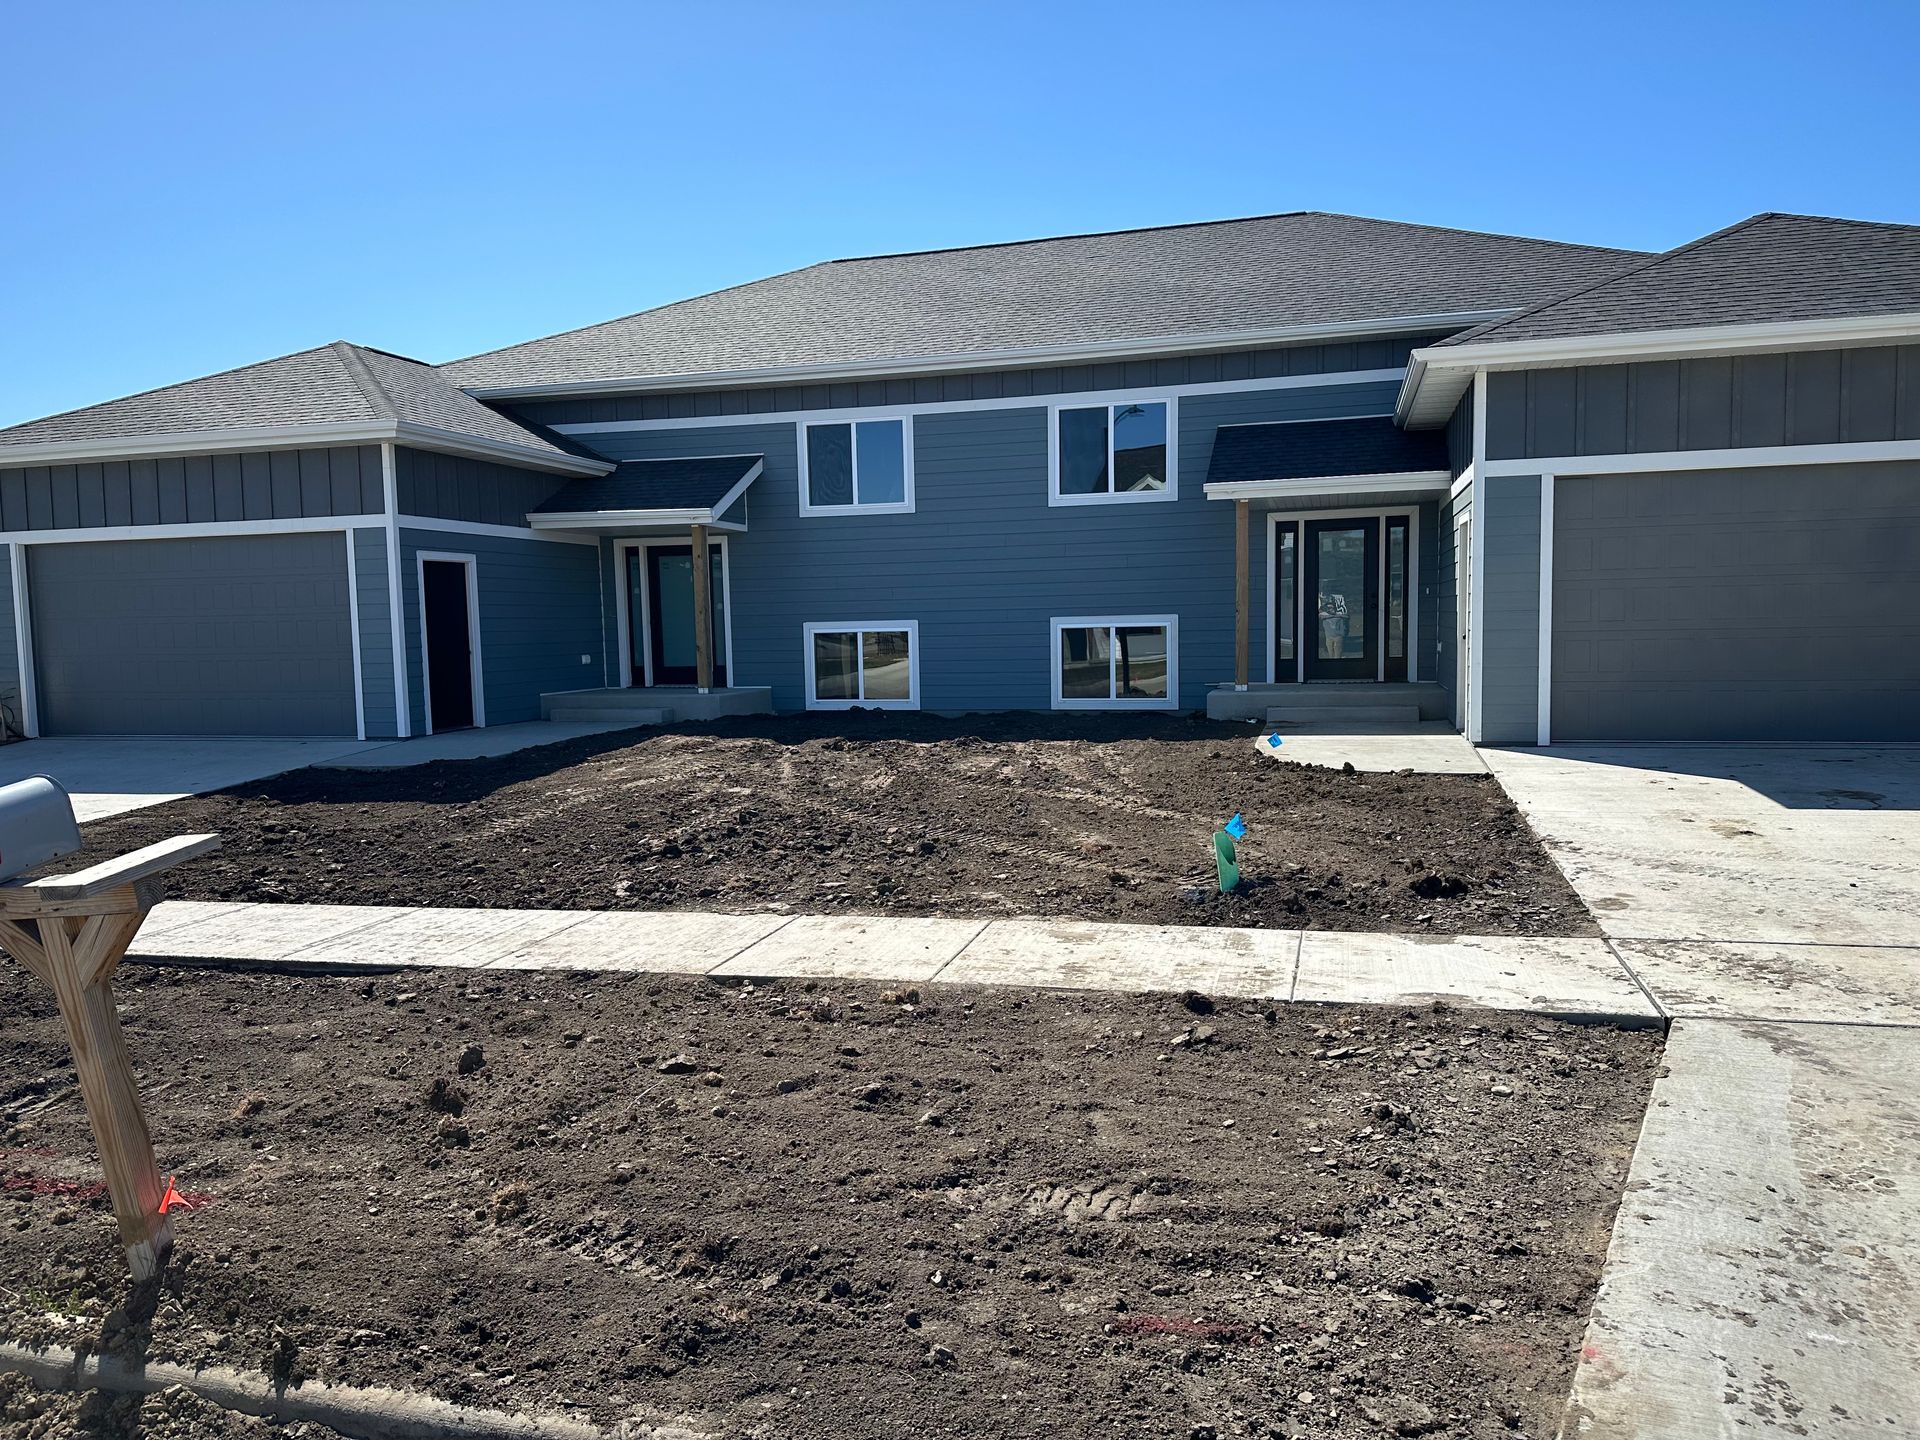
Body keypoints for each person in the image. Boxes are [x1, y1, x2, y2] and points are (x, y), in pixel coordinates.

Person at [1318, 591, 1348, 659]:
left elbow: (1346, 616)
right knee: (1330, 654)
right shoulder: (1324, 615)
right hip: (1329, 637)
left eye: (1332, 607)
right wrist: (1334, 616)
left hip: (1338, 636)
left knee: (1337, 654)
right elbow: (1321, 616)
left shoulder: (1340, 614)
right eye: (1329, 608)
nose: (1331, 609)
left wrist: (1337, 616)